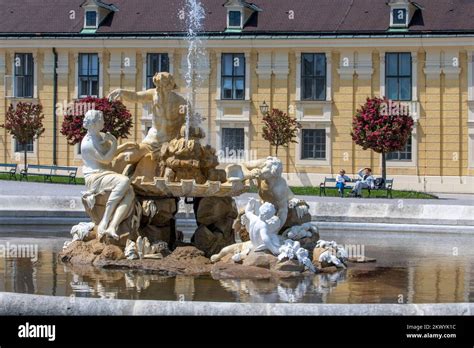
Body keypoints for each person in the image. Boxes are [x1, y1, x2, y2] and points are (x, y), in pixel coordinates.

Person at [81, 110, 135, 240]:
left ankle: (113, 226)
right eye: (101, 120)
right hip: (95, 177)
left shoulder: (98, 136)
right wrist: (115, 142)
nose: (104, 122)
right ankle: (105, 220)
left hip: (104, 173)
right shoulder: (88, 143)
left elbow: (110, 153)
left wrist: (124, 146)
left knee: (130, 192)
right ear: (94, 124)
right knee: (124, 181)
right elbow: (106, 159)